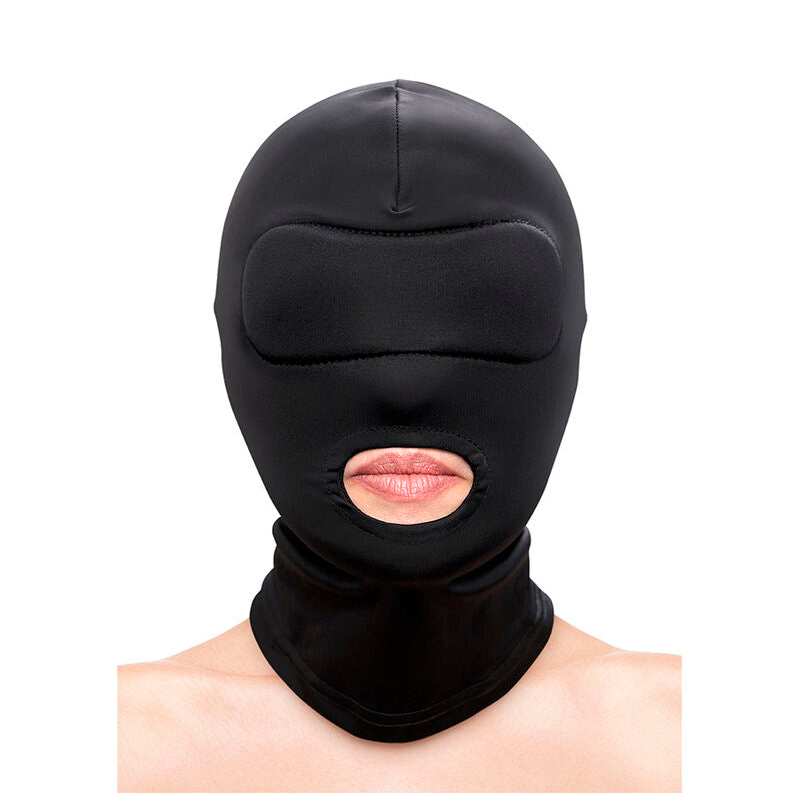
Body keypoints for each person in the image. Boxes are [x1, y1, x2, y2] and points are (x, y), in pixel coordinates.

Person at [118, 80, 681, 792]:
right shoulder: (98, 748)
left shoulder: (701, 741)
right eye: (319, 309)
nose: (405, 386)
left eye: (490, 303)